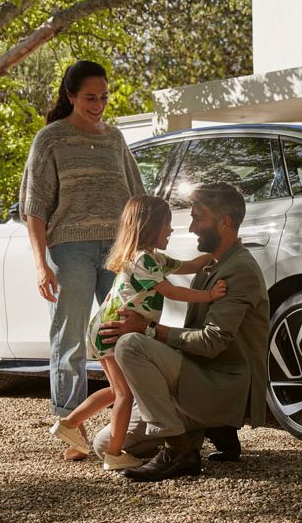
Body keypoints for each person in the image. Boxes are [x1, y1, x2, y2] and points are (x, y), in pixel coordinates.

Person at [92, 182, 270, 480]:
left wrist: (147, 329)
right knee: (104, 445)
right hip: (199, 375)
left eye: (198, 218)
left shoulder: (239, 271)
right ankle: (209, 427)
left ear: (225, 223)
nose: (191, 227)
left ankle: (179, 450)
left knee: (130, 345)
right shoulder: (212, 266)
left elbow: (212, 343)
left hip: (222, 385)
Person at [18, 60, 145, 458]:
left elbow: (136, 197)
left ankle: (135, 420)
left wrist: (141, 252)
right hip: (69, 249)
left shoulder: (115, 139)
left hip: (116, 251)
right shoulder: (50, 139)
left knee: (122, 334)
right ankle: (70, 426)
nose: (99, 104)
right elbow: (35, 208)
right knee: (70, 338)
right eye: (90, 97)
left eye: (104, 97)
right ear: (70, 96)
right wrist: (41, 265)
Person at [48, 196, 227, 470]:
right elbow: (171, 291)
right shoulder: (144, 259)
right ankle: (115, 455)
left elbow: (188, 266)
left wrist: (217, 255)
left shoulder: (152, 257)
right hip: (113, 330)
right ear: (151, 225)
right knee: (124, 395)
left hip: (105, 328)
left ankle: (70, 422)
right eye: (167, 223)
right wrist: (209, 295)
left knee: (118, 389)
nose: (171, 229)